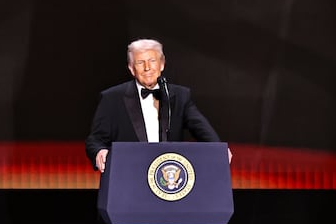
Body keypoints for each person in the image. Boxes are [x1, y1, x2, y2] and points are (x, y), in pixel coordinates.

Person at [85, 38, 232, 172]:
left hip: (168, 177)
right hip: (129, 174)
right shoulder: (112, 98)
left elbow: (203, 130)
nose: (147, 67)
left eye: (152, 61)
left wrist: (218, 149)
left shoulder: (180, 96)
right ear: (131, 68)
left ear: (161, 64)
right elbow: (95, 140)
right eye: (140, 62)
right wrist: (100, 151)